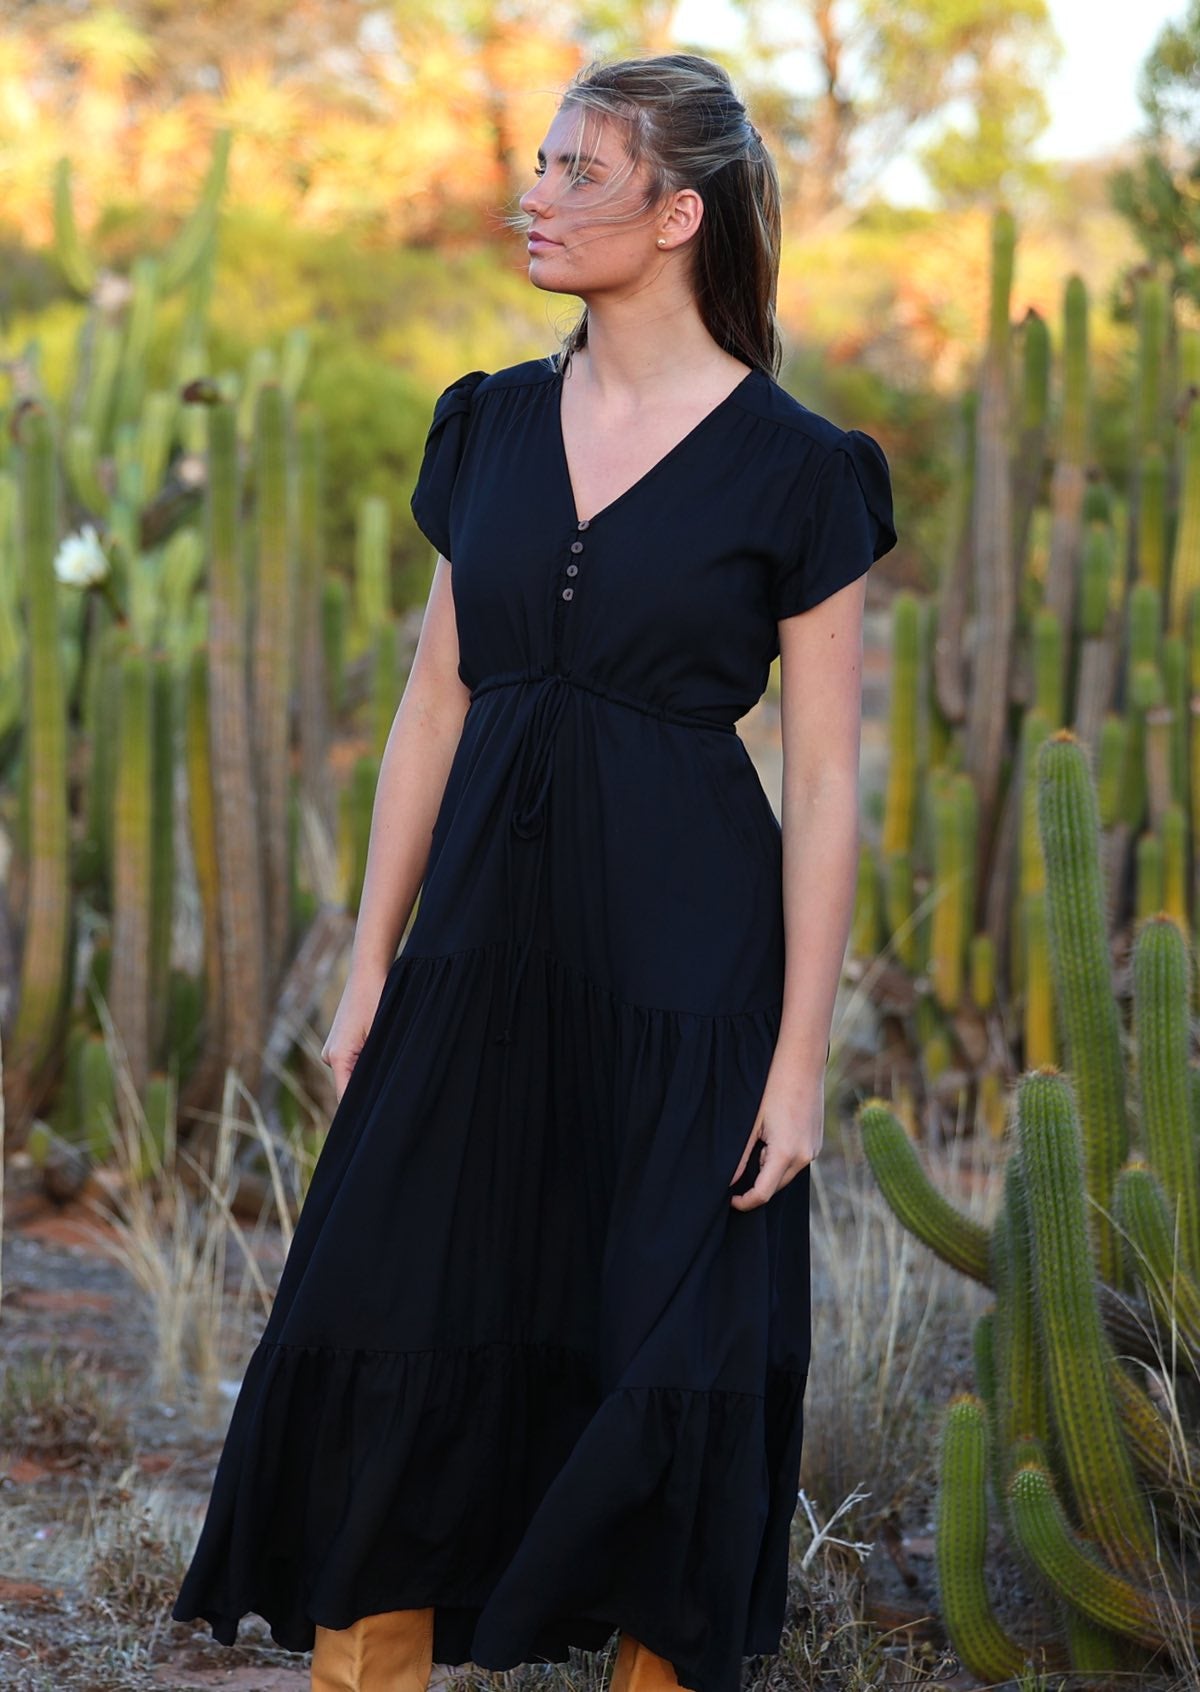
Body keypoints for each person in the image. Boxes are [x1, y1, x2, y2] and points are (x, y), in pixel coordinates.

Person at [170, 48, 897, 1692]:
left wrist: (797, 1062)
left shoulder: (801, 468)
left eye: (581, 170)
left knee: (665, 1347)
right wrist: (371, 968)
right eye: (542, 162)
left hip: (687, 979)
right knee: (389, 1307)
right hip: (480, 960)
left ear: (678, 214)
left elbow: (831, 781)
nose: (536, 193)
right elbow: (437, 703)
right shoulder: (489, 425)